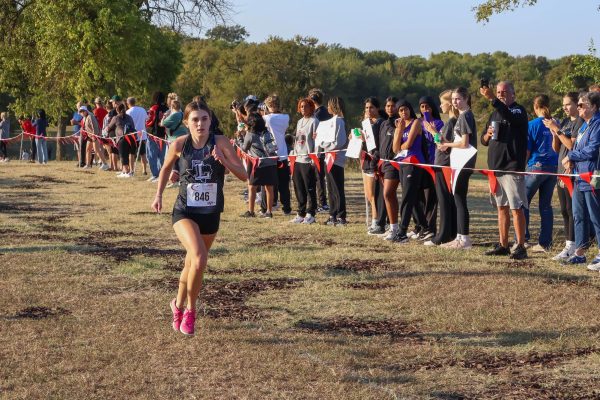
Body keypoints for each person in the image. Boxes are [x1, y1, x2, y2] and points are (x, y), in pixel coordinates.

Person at [152, 101, 247, 336]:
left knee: (193, 263)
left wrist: (223, 162)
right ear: (187, 123)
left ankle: (177, 304)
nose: (200, 123)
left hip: (211, 213)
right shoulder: (180, 144)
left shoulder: (221, 142)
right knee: (198, 257)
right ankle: (191, 312)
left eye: (204, 119)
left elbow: (245, 175)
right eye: (195, 119)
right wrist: (158, 195)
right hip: (184, 210)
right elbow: (165, 169)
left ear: (210, 120)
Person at [480, 81, 529, 260]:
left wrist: (493, 98)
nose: (500, 94)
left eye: (504, 92)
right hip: (496, 168)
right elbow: (483, 139)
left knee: (517, 208)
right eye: (498, 92)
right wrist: (488, 134)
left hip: (511, 167)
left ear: (513, 94)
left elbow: (510, 117)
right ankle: (503, 244)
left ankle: (521, 245)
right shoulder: (495, 112)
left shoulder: (518, 110)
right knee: (501, 207)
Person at [561, 91, 600, 270]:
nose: (578, 108)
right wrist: (572, 163)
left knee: (595, 217)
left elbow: (592, 150)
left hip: (591, 177)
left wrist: (572, 156)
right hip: (579, 177)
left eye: (582, 105)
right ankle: (580, 253)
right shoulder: (584, 125)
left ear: (593, 107)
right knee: (578, 215)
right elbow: (577, 146)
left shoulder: (597, 125)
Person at [543, 92, 583, 261]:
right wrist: (554, 134)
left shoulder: (579, 122)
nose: (565, 107)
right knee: (564, 210)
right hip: (560, 170)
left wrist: (556, 130)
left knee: (572, 210)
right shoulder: (565, 121)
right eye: (563, 104)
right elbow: (557, 148)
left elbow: (572, 146)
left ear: (576, 105)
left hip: (572, 172)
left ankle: (575, 246)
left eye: (568, 104)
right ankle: (568, 245)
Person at [436, 87, 477, 249]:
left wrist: (446, 144)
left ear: (466, 99)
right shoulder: (462, 116)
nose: (455, 102)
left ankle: (464, 239)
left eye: (458, 99)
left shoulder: (466, 115)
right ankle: (460, 237)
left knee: (459, 199)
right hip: (459, 160)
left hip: (464, 162)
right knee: (458, 199)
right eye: (453, 99)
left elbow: (464, 143)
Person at [522, 94, 559, 253]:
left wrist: (522, 166)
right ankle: (545, 242)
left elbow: (528, 149)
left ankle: (523, 238)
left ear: (535, 107)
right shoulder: (555, 123)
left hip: (536, 167)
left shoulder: (532, 125)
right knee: (545, 205)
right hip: (552, 168)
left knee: (523, 202)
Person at [422, 90, 458, 246]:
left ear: (449, 104)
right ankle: (451, 233)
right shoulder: (451, 121)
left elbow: (444, 145)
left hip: (444, 164)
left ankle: (442, 235)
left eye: (442, 102)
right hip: (442, 164)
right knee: (447, 200)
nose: (440, 106)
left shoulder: (451, 122)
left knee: (444, 200)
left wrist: (433, 132)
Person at [389, 99, 427, 242]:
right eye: (400, 110)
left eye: (405, 109)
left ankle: (402, 231)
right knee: (413, 197)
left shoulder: (416, 123)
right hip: (403, 163)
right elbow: (395, 149)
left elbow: (408, 144)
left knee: (407, 197)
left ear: (410, 109)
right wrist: (399, 130)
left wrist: (401, 145)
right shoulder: (400, 125)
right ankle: (424, 226)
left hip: (414, 162)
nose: (403, 112)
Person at [409, 96, 444, 241]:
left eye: (427, 107)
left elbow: (437, 142)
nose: (425, 110)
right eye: (422, 107)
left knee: (430, 197)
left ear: (433, 108)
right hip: (418, 162)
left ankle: (430, 227)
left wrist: (431, 129)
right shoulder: (417, 123)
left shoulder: (439, 123)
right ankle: (419, 226)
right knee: (418, 195)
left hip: (432, 162)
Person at [238, 112, 278, 218]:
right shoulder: (267, 132)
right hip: (270, 162)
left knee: (252, 187)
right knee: (269, 187)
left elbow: (244, 148)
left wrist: (240, 138)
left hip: (257, 164)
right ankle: (269, 212)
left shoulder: (250, 134)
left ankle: (251, 212)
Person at [318, 96, 348, 226]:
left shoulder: (339, 121)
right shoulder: (330, 121)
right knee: (330, 187)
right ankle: (332, 214)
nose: (327, 107)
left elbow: (339, 142)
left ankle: (341, 216)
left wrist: (323, 144)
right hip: (328, 157)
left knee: (337, 188)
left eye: (329, 105)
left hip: (336, 158)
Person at [290, 98, 318, 224]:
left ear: (311, 107)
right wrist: (294, 155)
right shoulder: (300, 121)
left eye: (306, 106)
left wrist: (314, 158)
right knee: (299, 187)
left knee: (309, 187)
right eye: (301, 106)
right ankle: (300, 213)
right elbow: (297, 140)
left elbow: (316, 141)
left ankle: (310, 213)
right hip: (298, 158)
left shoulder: (314, 121)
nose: (303, 108)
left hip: (308, 159)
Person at [262, 95, 292, 216]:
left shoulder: (267, 118)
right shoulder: (286, 117)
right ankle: (287, 207)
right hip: (283, 154)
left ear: (268, 106)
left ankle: (267, 206)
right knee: (284, 184)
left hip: (270, 155)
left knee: (269, 183)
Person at [360, 97, 384, 234]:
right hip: (366, 160)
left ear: (377, 108)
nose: (369, 110)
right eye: (366, 108)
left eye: (371, 107)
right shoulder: (366, 123)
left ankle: (377, 220)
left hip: (375, 160)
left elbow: (378, 144)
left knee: (374, 194)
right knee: (369, 194)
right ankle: (377, 219)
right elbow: (365, 144)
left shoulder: (380, 123)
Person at [378, 97, 400, 238]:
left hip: (394, 163)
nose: (389, 108)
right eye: (387, 106)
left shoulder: (399, 123)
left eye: (392, 106)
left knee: (388, 194)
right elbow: (381, 144)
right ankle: (393, 226)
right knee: (389, 196)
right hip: (383, 163)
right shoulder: (384, 123)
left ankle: (395, 228)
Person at [308, 88, 331, 211]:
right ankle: (323, 202)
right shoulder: (327, 112)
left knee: (317, 177)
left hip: (318, 149)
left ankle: (322, 203)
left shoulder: (316, 115)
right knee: (321, 177)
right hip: (326, 148)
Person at [105, 103, 136, 178]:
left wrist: (106, 129)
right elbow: (133, 126)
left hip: (122, 138)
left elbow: (108, 128)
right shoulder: (129, 117)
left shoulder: (116, 117)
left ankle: (126, 172)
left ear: (117, 110)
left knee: (123, 155)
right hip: (132, 137)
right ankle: (129, 171)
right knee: (131, 154)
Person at [146, 91, 169, 182]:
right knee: (162, 155)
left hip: (153, 134)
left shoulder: (153, 108)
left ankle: (155, 174)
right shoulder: (166, 108)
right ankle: (161, 174)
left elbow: (149, 121)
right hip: (163, 135)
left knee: (151, 155)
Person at [79, 106, 110, 170]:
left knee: (96, 150)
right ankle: (88, 165)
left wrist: (94, 136)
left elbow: (95, 127)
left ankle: (105, 164)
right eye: (80, 112)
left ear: (86, 111)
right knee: (88, 150)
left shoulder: (91, 116)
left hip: (94, 135)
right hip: (89, 136)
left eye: (82, 111)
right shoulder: (84, 118)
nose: (81, 113)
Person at [126, 97, 149, 175]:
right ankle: (144, 170)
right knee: (143, 153)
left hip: (132, 135)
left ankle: (132, 170)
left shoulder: (128, 112)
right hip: (142, 135)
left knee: (131, 153)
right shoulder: (142, 110)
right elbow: (147, 119)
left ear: (128, 104)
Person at [71, 102, 85, 167]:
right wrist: (72, 122)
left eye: (80, 105)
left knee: (81, 148)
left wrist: (76, 122)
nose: (79, 107)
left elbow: (84, 124)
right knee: (77, 149)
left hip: (81, 133)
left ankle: (82, 162)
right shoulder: (75, 113)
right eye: (78, 106)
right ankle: (79, 161)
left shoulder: (83, 114)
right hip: (75, 133)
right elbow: (73, 122)